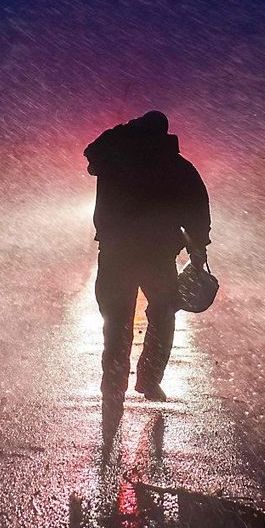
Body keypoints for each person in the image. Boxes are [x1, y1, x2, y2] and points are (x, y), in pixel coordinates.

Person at [84, 110, 211, 405]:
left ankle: (114, 386)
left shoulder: (113, 161)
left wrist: (122, 129)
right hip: (158, 256)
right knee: (163, 317)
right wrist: (198, 249)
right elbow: (197, 209)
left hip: (116, 254)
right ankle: (149, 380)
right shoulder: (177, 166)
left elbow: (92, 154)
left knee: (116, 321)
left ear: (135, 128)